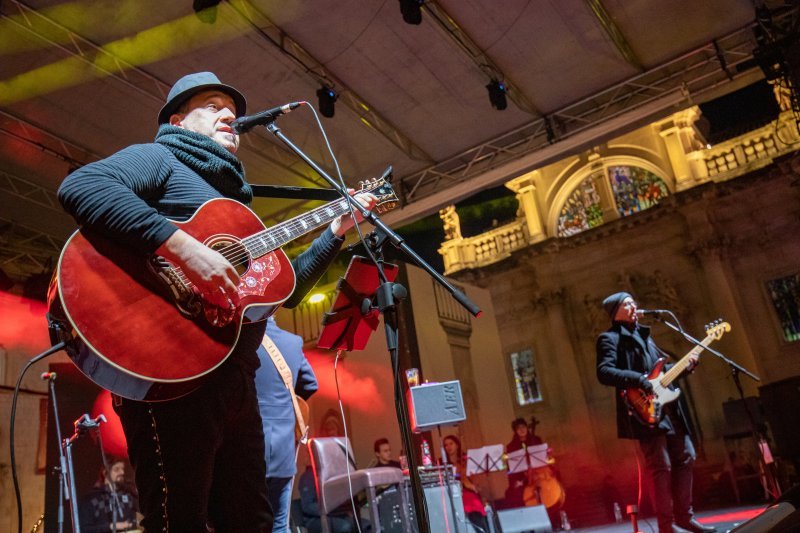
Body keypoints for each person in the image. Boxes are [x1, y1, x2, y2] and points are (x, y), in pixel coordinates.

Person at [57, 71, 376, 532]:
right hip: (171, 371)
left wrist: (336, 230)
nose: (230, 114)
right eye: (212, 105)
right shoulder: (160, 158)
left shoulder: (232, 207)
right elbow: (83, 187)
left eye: (234, 110)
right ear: (179, 119)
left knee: (253, 521)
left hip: (234, 384)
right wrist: (184, 249)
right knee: (177, 519)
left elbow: (285, 290)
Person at [596, 292, 715, 533]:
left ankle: (684, 517)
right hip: (643, 409)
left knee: (686, 455)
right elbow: (604, 371)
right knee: (661, 466)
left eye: (633, 301)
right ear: (616, 311)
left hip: (668, 407)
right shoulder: (609, 338)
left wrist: (685, 366)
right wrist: (639, 380)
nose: (634, 305)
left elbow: (661, 373)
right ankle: (666, 525)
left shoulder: (646, 336)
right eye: (628, 303)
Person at [256, 316, 318, 532]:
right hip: (284, 450)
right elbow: (310, 384)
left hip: (251, 447)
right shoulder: (292, 342)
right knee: (280, 524)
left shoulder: (242, 341)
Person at [297, 466, 371, 533]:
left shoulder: (331, 472)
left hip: (338, 515)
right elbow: (308, 506)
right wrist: (333, 509)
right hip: (315, 519)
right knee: (344, 527)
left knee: (367, 525)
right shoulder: (307, 477)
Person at [78, 458, 139, 533]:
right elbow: (84, 529)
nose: (122, 472)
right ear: (105, 472)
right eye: (117, 469)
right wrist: (111, 526)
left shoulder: (129, 494)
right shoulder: (91, 498)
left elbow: (141, 515)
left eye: (123, 469)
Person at [443, 435, 488, 532]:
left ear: (457, 445)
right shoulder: (444, 463)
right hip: (452, 494)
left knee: (472, 502)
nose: (449, 447)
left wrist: (470, 482)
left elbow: (475, 482)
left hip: (468, 493)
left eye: (451, 444)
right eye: (446, 445)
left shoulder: (467, 459)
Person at [504, 417, 543, 507]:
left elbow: (542, 457)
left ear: (527, 427)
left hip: (539, 474)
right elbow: (511, 468)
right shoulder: (511, 446)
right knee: (513, 493)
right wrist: (516, 481)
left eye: (523, 427)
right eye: (518, 428)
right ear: (515, 431)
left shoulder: (536, 440)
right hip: (522, 477)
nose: (521, 430)